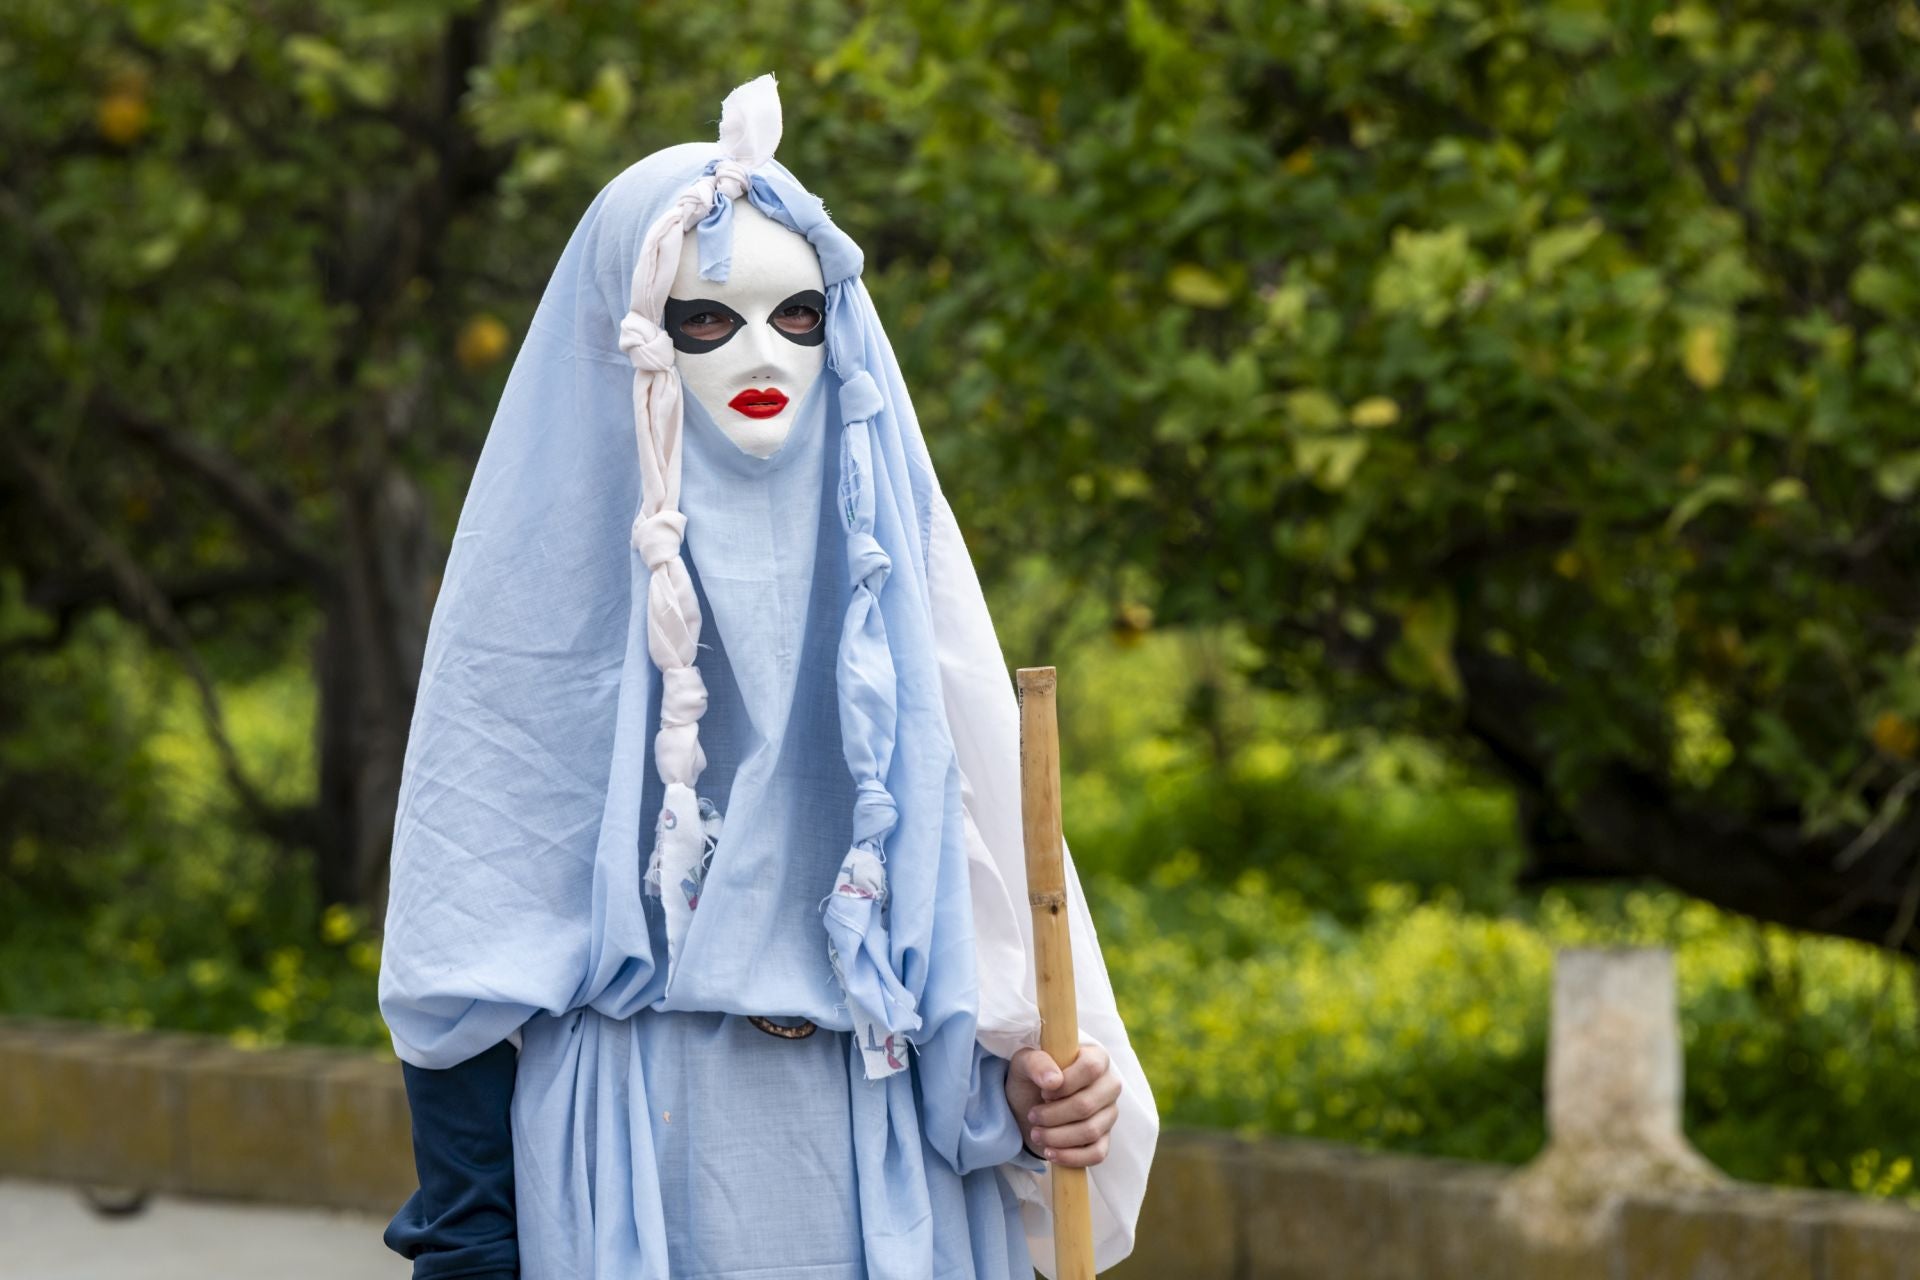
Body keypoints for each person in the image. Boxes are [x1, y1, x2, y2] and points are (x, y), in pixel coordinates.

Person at [377, 74, 1157, 1280]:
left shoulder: (887, 585)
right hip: (629, 1173)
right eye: (706, 317)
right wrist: (470, 1239)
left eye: (800, 316)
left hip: (885, 1173)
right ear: (626, 333)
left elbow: (963, 962)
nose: (763, 354)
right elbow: (464, 947)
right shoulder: (535, 609)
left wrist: (1037, 1094)